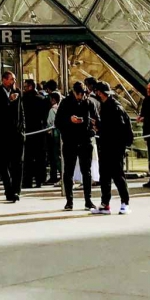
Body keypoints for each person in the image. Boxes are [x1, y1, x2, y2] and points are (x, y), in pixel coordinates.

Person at [56, 81, 97, 211]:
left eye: (83, 94)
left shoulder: (89, 103)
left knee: (87, 172)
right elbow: (58, 122)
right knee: (68, 171)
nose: (80, 97)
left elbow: (96, 120)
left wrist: (90, 126)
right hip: (70, 141)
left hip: (85, 140)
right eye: (78, 94)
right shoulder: (66, 103)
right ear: (74, 92)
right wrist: (69, 120)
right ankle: (69, 201)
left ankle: (88, 200)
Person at [92, 81, 131, 214]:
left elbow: (116, 129)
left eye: (98, 91)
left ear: (101, 93)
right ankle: (105, 203)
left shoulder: (114, 107)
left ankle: (125, 202)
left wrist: (99, 126)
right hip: (107, 145)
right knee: (105, 176)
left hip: (114, 146)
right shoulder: (106, 105)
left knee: (117, 175)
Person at [0, 71, 24, 201]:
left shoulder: (17, 92)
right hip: (3, 134)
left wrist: (23, 129)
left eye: (15, 79)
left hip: (17, 134)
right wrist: (8, 102)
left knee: (18, 163)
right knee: (4, 164)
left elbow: (21, 111)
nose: (13, 82)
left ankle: (16, 190)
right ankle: (8, 189)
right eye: (11, 79)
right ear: (4, 80)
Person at [21, 79, 50, 188]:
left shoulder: (24, 100)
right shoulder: (43, 99)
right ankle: (40, 179)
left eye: (25, 87)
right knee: (40, 156)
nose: (24, 89)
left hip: (28, 131)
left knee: (28, 157)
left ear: (30, 87)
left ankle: (27, 180)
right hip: (40, 131)